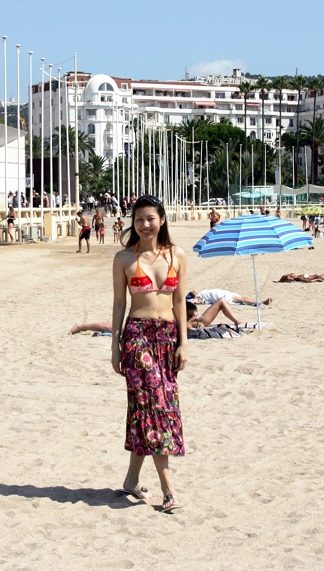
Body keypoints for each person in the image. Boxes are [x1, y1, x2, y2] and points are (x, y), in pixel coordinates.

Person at [112, 194, 187, 513]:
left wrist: (184, 342)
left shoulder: (177, 255)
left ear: (162, 220)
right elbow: (119, 304)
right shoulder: (124, 259)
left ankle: (131, 480)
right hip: (138, 338)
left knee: (152, 408)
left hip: (167, 337)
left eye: (150, 219)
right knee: (156, 407)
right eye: (139, 219)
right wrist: (114, 345)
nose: (144, 225)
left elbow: (180, 301)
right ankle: (168, 488)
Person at [188, 289, 273, 306]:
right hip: (226, 297)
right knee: (244, 299)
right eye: (193, 292)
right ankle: (262, 302)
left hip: (226, 294)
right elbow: (192, 302)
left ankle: (261, 302)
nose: (194, 290)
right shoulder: (200, 296)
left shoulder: (203, 293)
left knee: (244, 299)